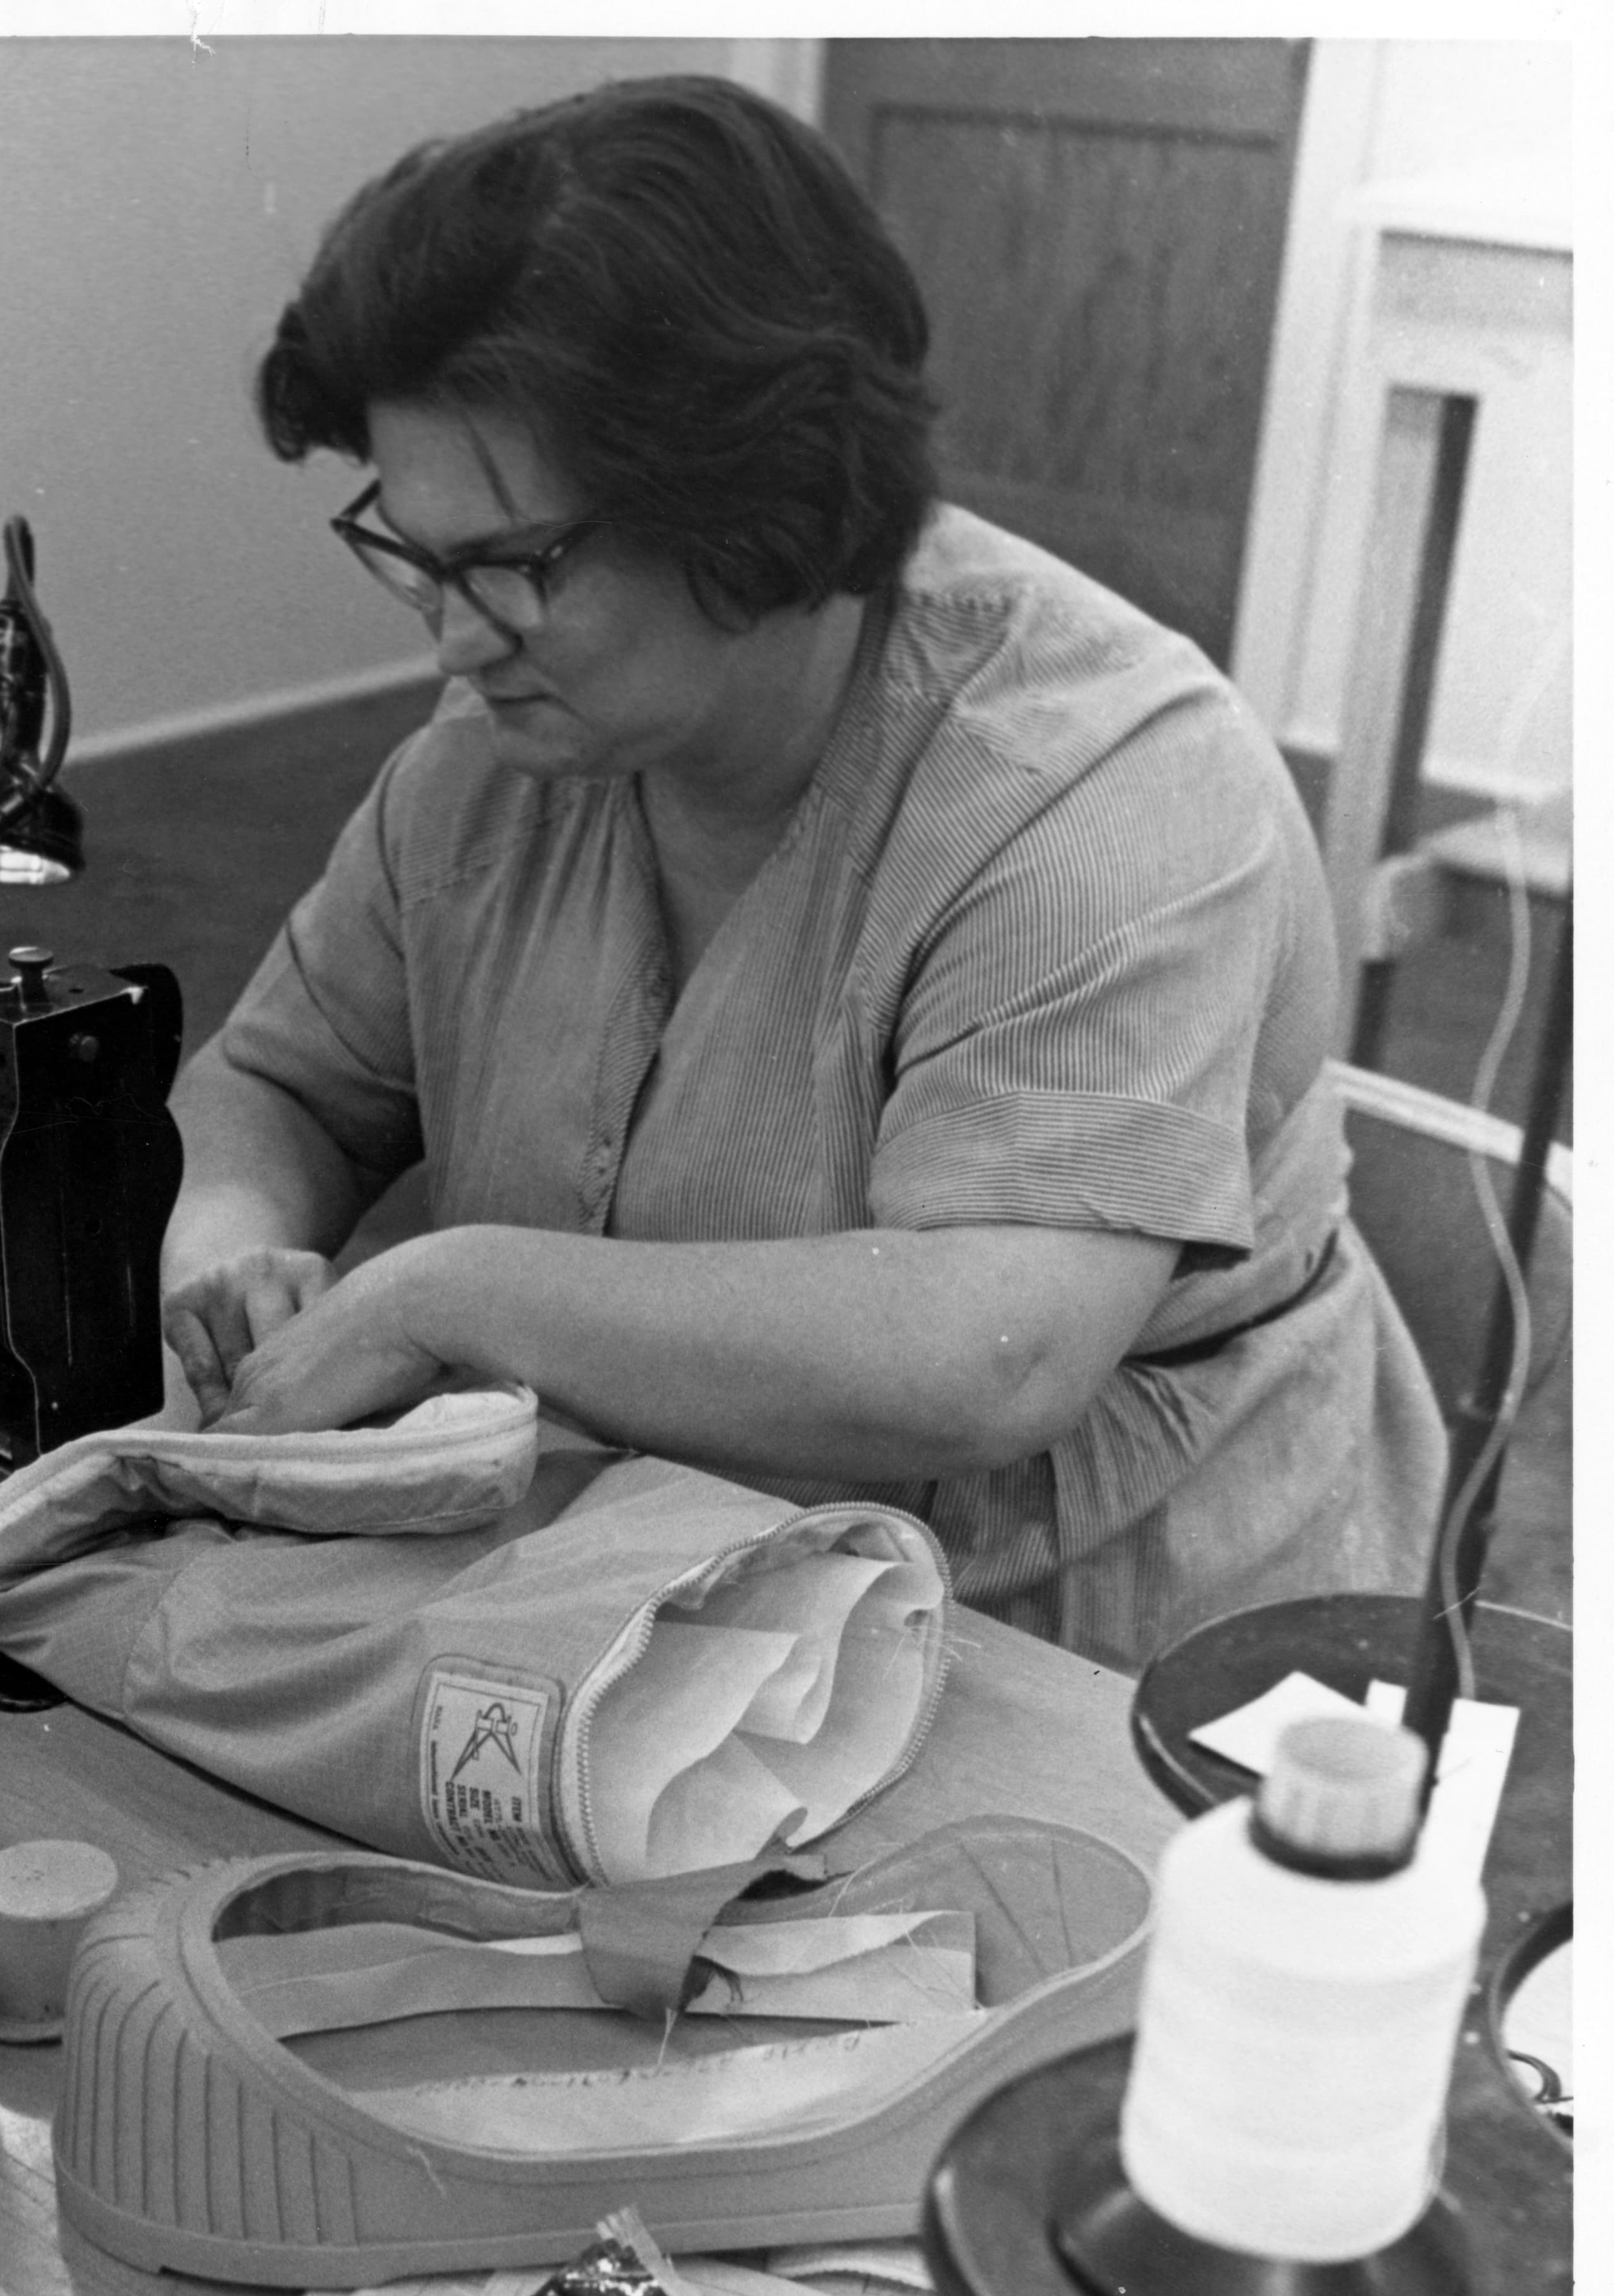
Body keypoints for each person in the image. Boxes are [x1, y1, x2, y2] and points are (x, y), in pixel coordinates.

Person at [159, 71, 1444, 1671]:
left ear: (761, 506)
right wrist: (228, 1248)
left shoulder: (1100, 786)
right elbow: (282, 1082)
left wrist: (450, 1291)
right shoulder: (497, 760)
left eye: (515, 568)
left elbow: (989, 1352)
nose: (450, 634)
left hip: (1104, 1640)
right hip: (684, 1576)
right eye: (415, 554)